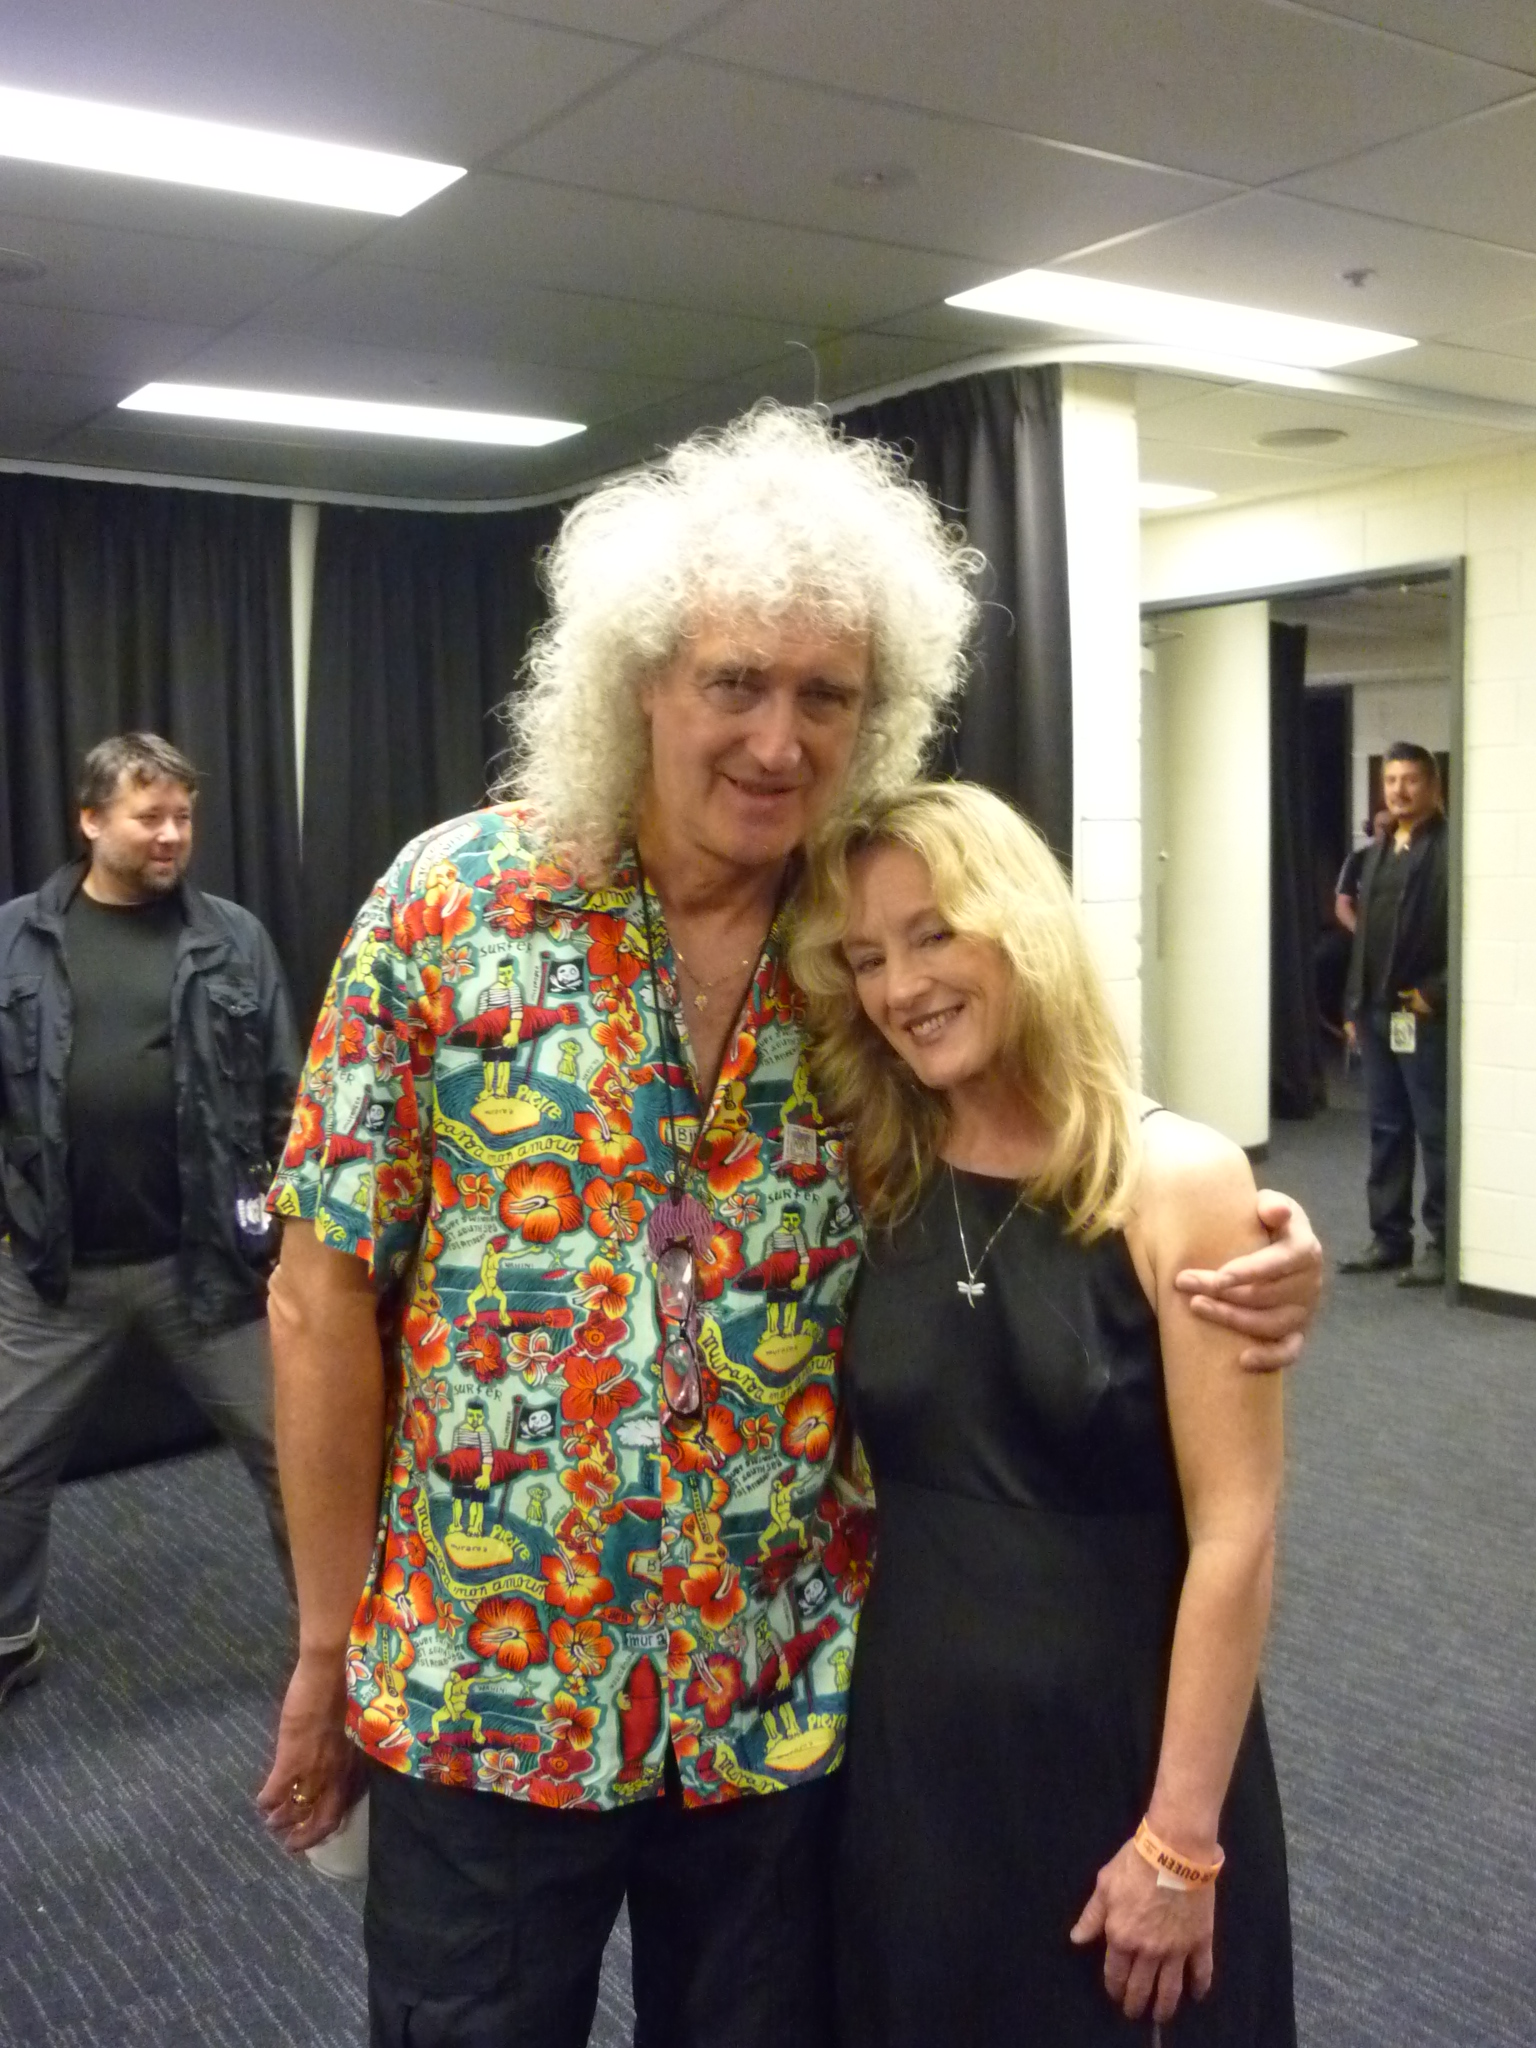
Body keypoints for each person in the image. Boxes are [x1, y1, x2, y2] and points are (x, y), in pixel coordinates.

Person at [255, 404, 1322, 2048]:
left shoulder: (858, 948)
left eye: (827, 695)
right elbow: (318, 1293)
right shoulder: (450, 905)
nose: (778, 740)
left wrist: (1247, 1231)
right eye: (736, 682)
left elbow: (1048, 1134)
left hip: (781, 1703)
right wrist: (327, 1642)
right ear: (639, 683)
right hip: (490, 1684)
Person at [791, 780, 1294, 2046]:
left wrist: (1180, 1837)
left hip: (1123, 1760)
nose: (901, 985)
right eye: (867, 955)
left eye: (933, 933)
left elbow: (1237, 1531)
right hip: (913, 1762)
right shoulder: (877, 1167)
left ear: (1020, 925)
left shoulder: (1178, 1179)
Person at [0, 732, 298, 1707]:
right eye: (148, 816)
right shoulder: (15, 941)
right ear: (91, 820)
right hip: (52, 1267)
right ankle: (8, 1637)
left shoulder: (233, 938)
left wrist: (287, 1236)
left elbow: (285, 1094)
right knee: (6, 1465)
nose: (171, 834)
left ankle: (335, 1643)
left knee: (297, 1458)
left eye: (182, 816)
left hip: (209, 1266)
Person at [1337, 744, 1449, 1287]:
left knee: (1435, 1131)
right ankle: (1390, 1238)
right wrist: (1353, 1004)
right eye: (1390, 780)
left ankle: (1444, 1245)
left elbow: (1475, 928)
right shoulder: (1379, 848)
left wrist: (1439, 993)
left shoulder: (1449, 849)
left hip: (1420, 1013)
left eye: (1410, 780)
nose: (1399, 791)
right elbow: (1365, 938)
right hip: (1377, 1012)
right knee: (1385, 1128)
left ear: (1433, 786)